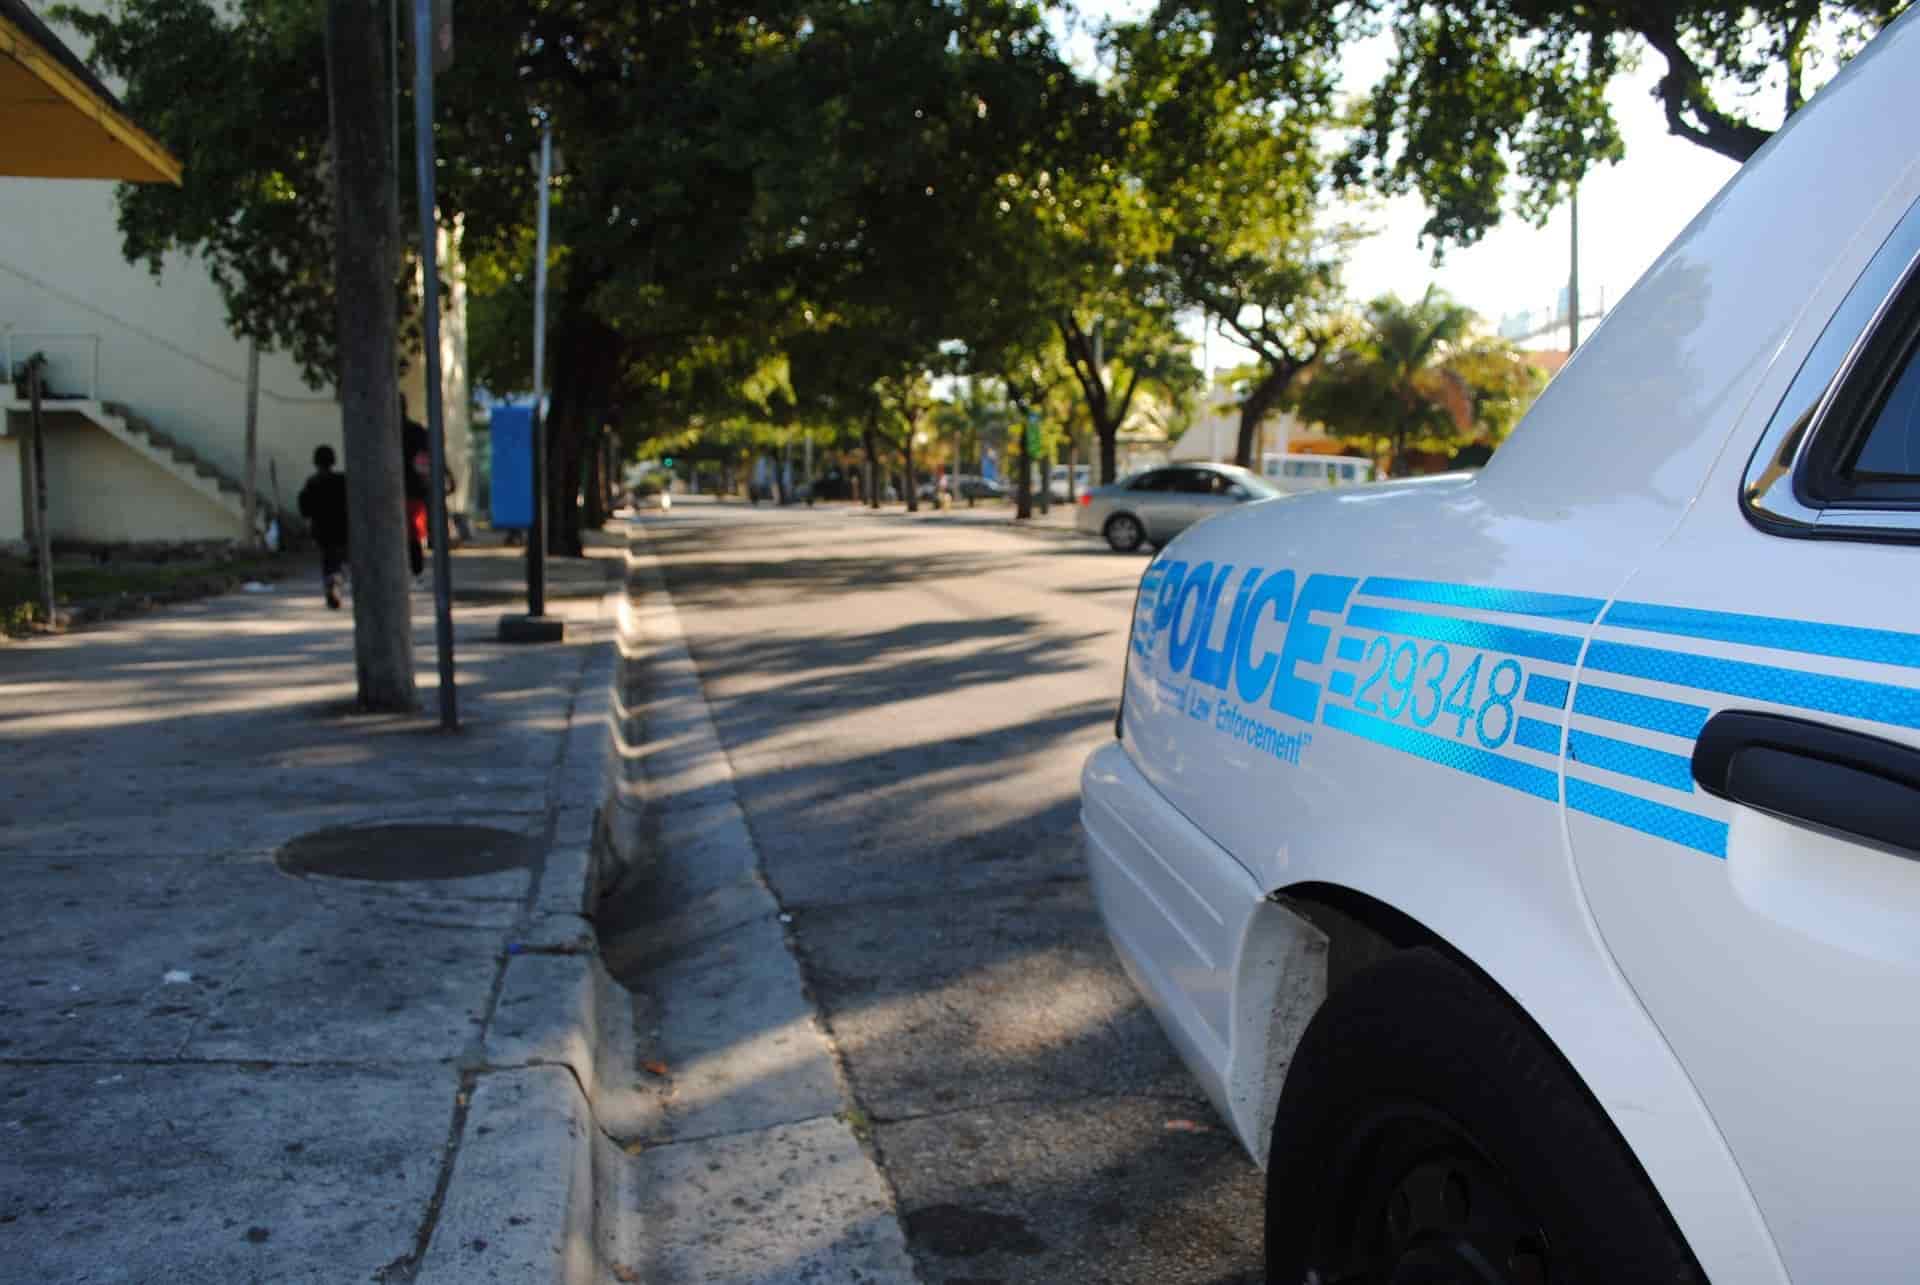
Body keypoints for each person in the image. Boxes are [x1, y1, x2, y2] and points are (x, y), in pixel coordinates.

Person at [297, 445, 349, 609]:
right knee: (339, 560)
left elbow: (305, 509)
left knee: (328, 560)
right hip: (342, 529)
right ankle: (336, 582)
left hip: (322, 530)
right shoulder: (342, 480)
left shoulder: (312, 482)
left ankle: (332, 584)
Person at [401, 401, 431, 585]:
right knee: (413, 532)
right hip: (414, 490)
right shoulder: (417, 431)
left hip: (395, 491)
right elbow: (426, 458)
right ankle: (416, 569)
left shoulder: (376, 430)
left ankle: (412, 568)